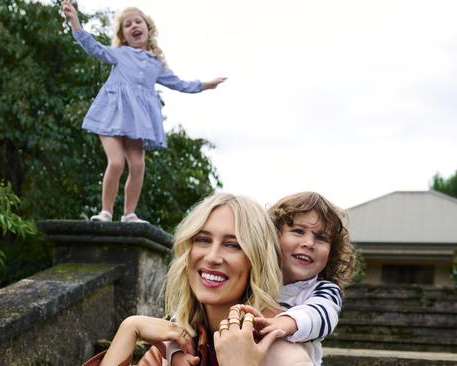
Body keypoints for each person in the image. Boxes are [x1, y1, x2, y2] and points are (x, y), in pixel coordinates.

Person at [82, 193, 312, 366]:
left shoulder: (285, 356)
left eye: (232, 245)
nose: (212, 257)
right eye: (202, 240)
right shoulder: (174, 348)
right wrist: (129, 328)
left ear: (257, 261)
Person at [62, 1, 226, 223]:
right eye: (128, 25)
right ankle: (106, 212)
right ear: (123, 35)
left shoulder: (155, 64)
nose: (133, 26)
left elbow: (179, 83)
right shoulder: (119, 54)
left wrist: (205, 85)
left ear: (148, 29)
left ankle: (129, 214)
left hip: (136, 122)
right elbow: (94, 48)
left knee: (138, 166)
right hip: (111, 114)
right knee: (117, 162)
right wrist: (75, 22)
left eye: (138, 22)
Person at [240, 191, 357, 365]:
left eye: (321, 238)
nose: (309, 243)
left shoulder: (324, 290)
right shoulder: (253, 279)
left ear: (331, 252)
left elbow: (320, 314)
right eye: (298, 231)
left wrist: (284, 323)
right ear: (274, 236)